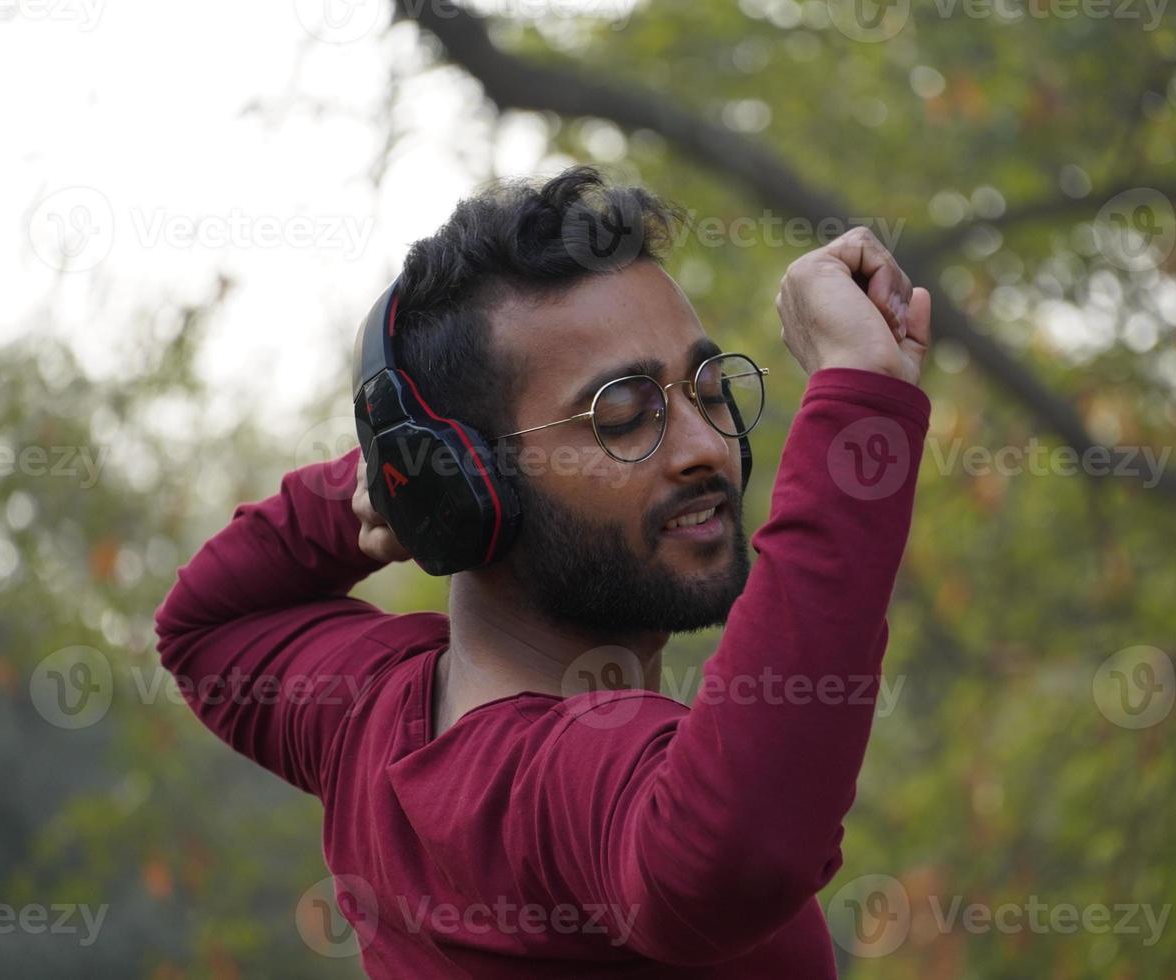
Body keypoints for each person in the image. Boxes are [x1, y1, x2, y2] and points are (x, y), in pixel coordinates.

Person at [155, 166, 933, 977]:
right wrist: (859, 399)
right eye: (624, 417)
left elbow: (208, 624)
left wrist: (392, 476)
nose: (706, 446)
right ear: (472, 482)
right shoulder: (558, 783)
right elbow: (738, 854)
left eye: (707, 388)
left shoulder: (370, 718)